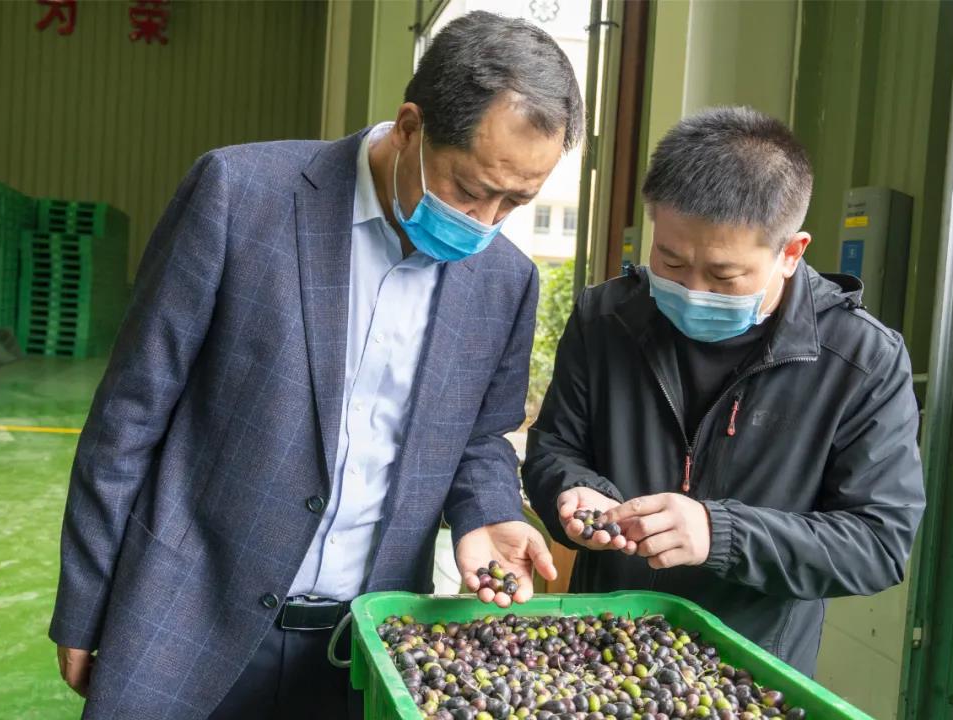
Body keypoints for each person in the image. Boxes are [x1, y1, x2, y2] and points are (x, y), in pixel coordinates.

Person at [50, 11, 584, 719]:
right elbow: (131, 411)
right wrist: (85, 604)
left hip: (366, 643)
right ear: (410, 127)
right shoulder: (240, 194)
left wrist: (486, 515)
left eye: (515, 202)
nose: (484, 221)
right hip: (187, 615)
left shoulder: (505, 281)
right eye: (469, 189)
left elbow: (481, 436)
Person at [522, 106, 926, 676]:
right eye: (670, 260)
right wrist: (574, 490)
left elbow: (877, 544)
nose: (691, 290)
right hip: (597, 655)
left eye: (723, 276)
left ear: (791, 253)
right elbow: (553, 449)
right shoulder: (605, 319)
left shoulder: (859, 361)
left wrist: (722, 534)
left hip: (748, 675)